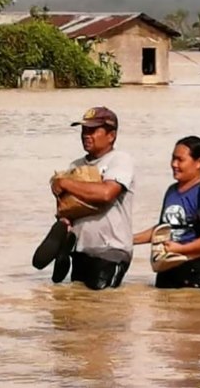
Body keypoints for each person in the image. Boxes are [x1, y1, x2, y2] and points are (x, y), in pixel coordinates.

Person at [33, 106, 136, 290]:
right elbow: (67, 208)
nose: (86, 135)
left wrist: (64, 184)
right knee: (79, 308)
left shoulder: (120, 160)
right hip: (81, 251)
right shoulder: (76, 165)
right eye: (84, 130)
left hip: (110, 252)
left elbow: (106, 193)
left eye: (92, 130)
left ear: (111, 135)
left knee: (104, 306)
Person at [134, 136, 200, 289]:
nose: (174, 164)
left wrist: (182, 249)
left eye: (180, 160)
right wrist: (129, 240)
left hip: (197, 273)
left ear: (199, 162)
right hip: (167, 270)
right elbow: (164, 228)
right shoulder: (171, 191)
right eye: (172, 159)